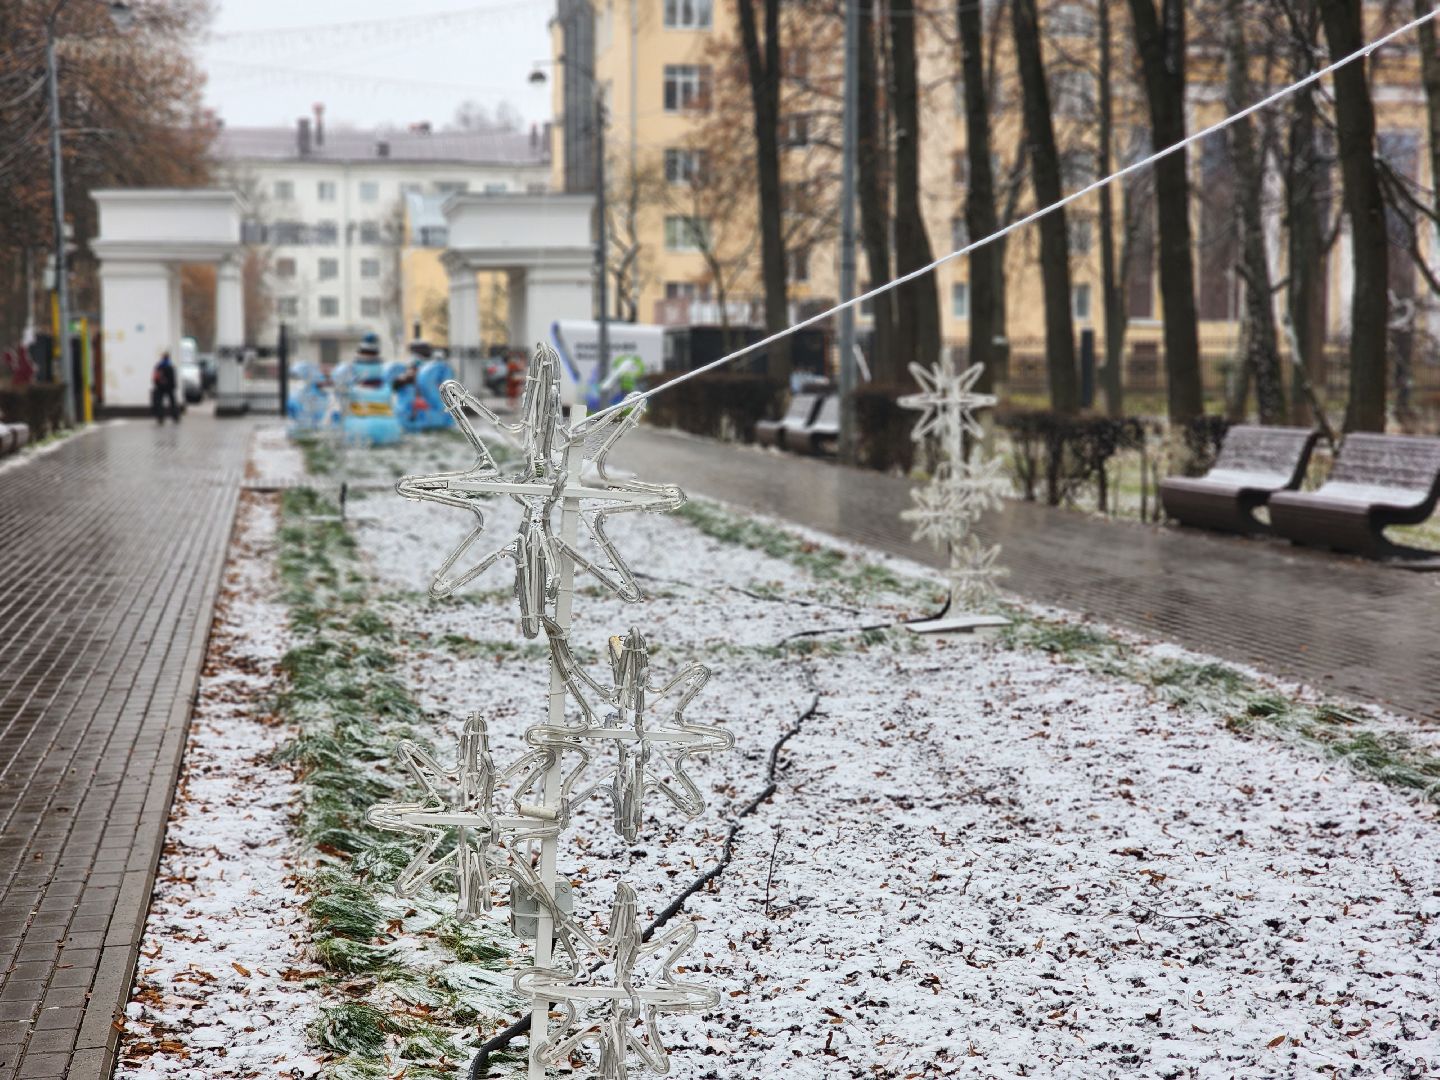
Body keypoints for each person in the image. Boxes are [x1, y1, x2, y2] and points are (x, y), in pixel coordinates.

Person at [152, 352, 179, 423]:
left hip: (160, 387)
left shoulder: (159, 366)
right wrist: (173, 386)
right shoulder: (170, 366)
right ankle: (175, 416)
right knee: (173, 402)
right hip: (169, 388)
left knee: (159, 402)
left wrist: (158, 385)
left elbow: (155, 377)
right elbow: (173, 379)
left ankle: (160, 417)